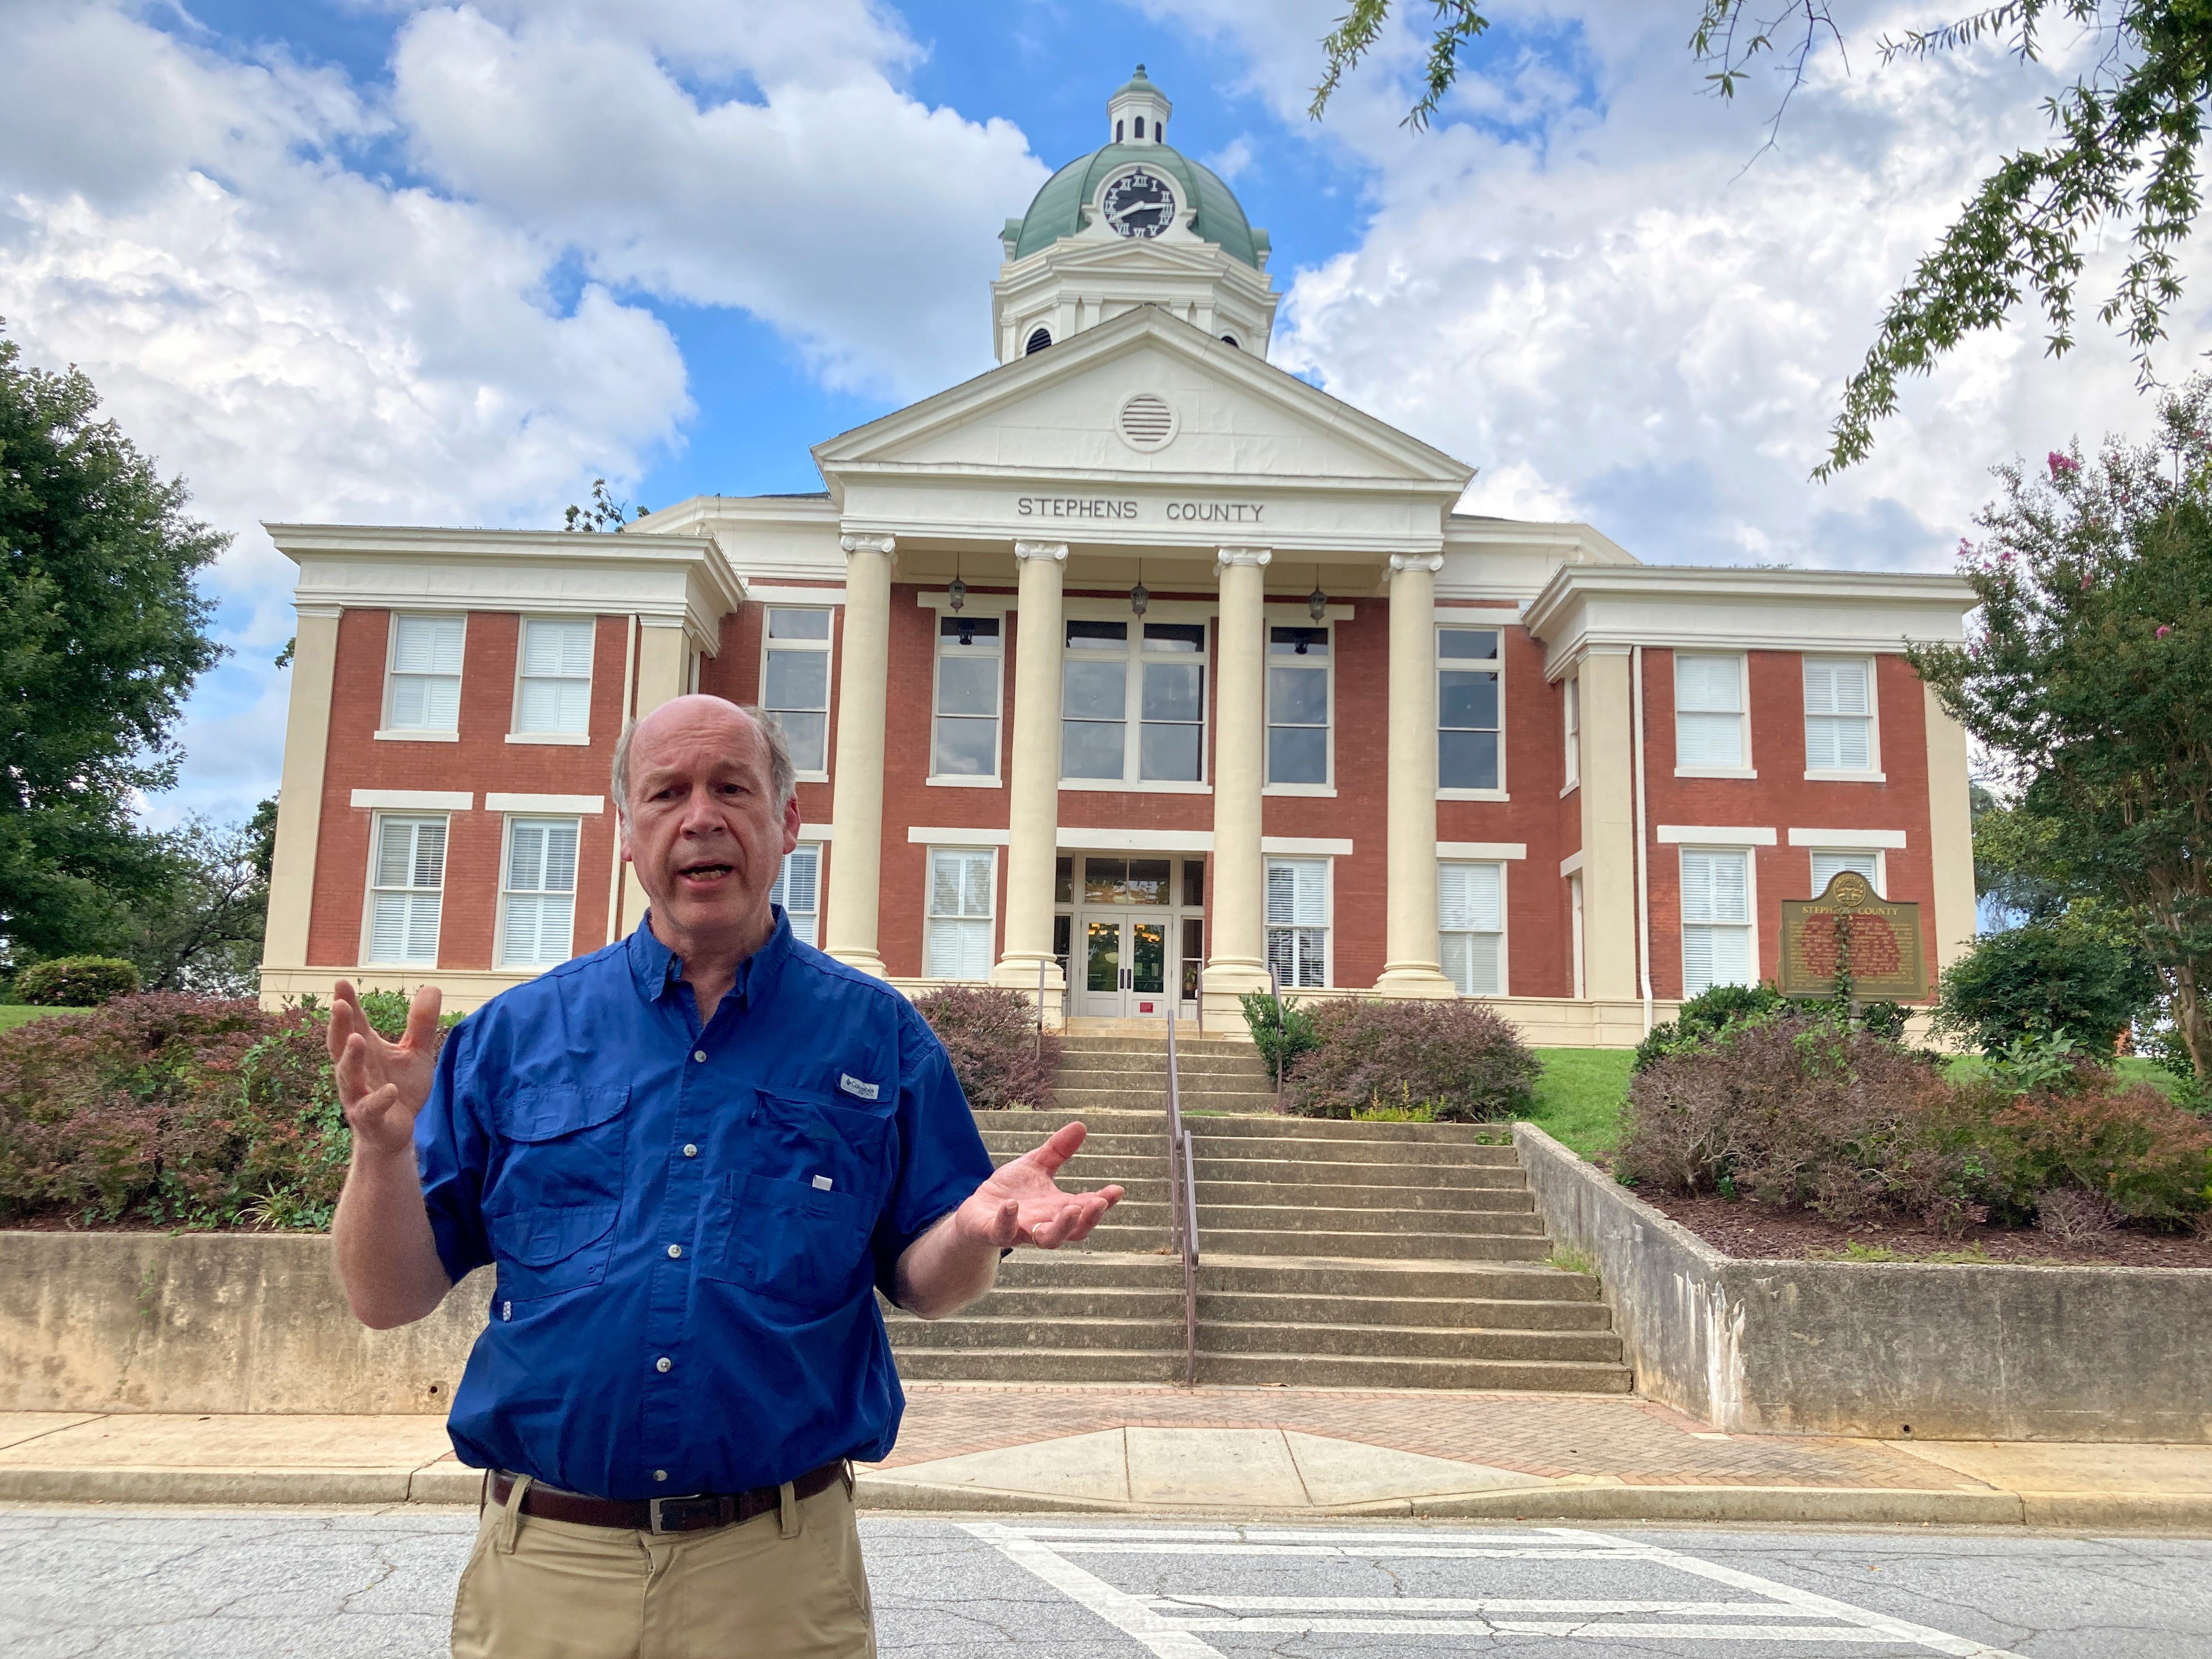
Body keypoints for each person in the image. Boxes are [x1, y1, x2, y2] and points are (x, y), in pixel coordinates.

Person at [329, 694, 1122, 1658]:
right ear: (627, 831)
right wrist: (381, 1152)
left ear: (786, 821)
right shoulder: (511, 1039)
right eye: (665, 791)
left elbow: (924, 1285)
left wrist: (974, 1228)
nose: (699, 815)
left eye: (731, 787)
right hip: (548, 1570)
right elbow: (387, 1297)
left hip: (778, 1576)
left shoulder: (879, 1038)